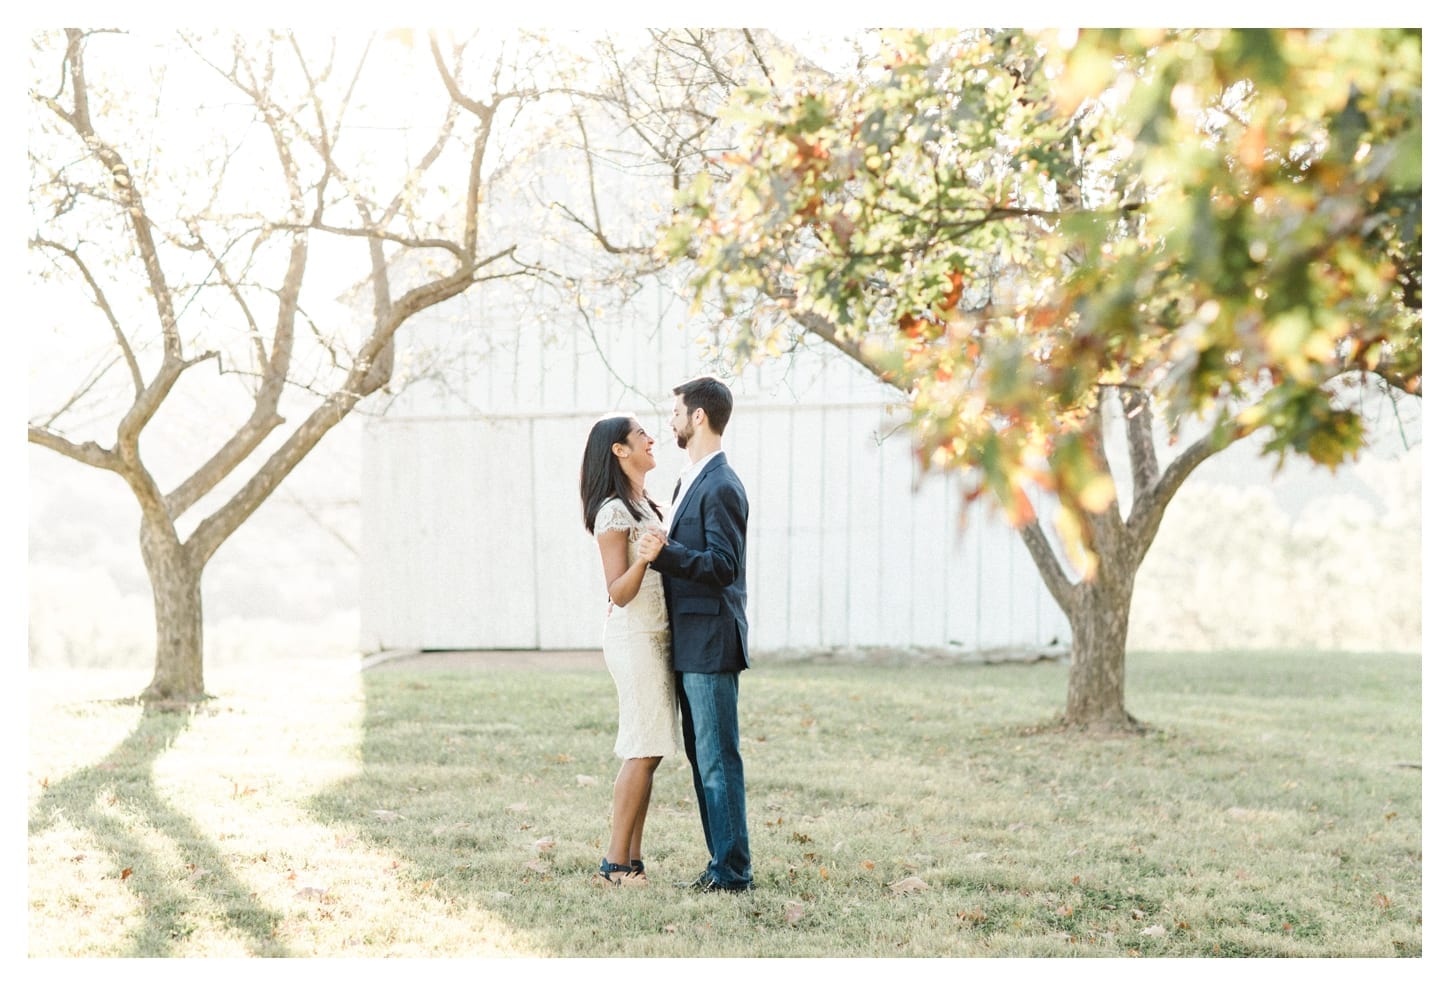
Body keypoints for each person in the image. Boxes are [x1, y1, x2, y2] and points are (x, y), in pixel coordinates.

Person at [648, 377, 753, 893]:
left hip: (712, 640)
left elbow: (723, 566)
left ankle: (732, 871)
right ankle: (722, 863)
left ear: (698, 417)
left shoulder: (721, 484)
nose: (669, 421)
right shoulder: (686, 480)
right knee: (701, 756)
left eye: (675, 412)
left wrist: (663, 554)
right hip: (688, 638)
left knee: (717, 758)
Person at [579, 415, 677, 888]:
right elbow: (617, 591)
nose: (651, 438)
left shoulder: (644, 505)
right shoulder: (613, 512)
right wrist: (643, 558)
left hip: (656, 635)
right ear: (619, 450)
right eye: (641, 434)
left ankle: (634, 861)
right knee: (641, 748)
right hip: (633, 637)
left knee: (652, 749)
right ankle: (614, 865)